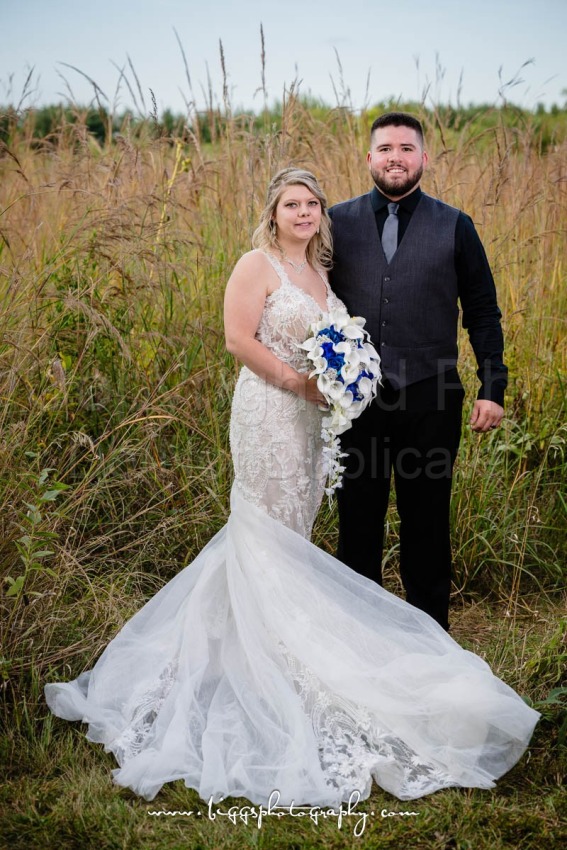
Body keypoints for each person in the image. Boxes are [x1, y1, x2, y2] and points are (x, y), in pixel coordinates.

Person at [45, 167, 538, 807]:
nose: (302, 213)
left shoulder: (324, 274)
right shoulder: (258, 265)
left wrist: (341, 382)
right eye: (291, 204)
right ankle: (260, 671)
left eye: (311, 204)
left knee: (289, 539)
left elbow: (355, 339)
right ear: (273, 211)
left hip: (313, 424)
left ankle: (258, 655)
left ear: (320, 214)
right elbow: (236, 339)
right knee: (263, 535)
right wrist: (298, 384)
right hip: (269, 415)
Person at [329, 112, 508, 631]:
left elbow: (481, 310)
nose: (396, 158)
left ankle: (430, 644)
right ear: (369, 158)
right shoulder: (334, 222)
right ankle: (361, 643)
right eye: (385, 148)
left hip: (431, 398)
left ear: (424, 158)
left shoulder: (456, 225)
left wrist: (492, 387)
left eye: (407, 149)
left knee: (427, 524)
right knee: (357, 525)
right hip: (357, 403)